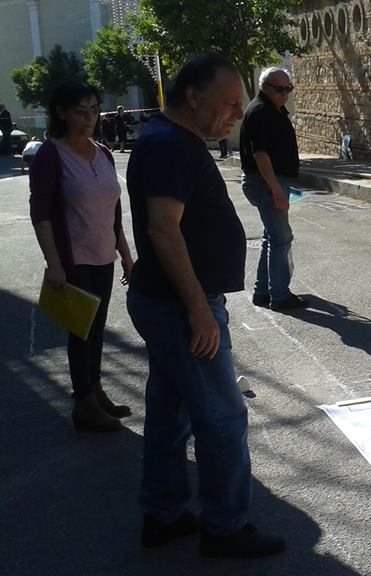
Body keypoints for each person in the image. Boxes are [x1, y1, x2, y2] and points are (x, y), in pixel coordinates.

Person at [126, 54, 285, 557]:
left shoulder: (172, 140)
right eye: (229, 104)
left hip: (171, 302)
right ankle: (225, 528)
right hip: (179, 307)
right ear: (193, 96)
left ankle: (164, 512)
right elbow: (162, 230)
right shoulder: (169, 145)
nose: (238, 115)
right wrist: (198, 309)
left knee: (171, 412)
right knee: (223, 417)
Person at [28, 81, 135, 432]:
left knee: (97, 328)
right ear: (61, 113)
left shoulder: (102, 152)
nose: (89, 117)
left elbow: (113, 211)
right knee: (81, 330)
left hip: (104, 253)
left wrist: (126, 256)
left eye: (93, 109)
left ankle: (95, 390)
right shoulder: (51, 155)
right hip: (74, 259)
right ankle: (83, 404)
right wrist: (54, 264)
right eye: (81, 111)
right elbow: (41, 212)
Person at [239, 67, 305, 311]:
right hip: (266, 183)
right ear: (264, 86)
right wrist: (276, 189)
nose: (285, 94)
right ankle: (279, 295)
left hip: (272, 182)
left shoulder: (272, 109)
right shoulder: (260, 111)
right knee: (281, 238)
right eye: (280, 89)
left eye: (288, 89)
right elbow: (261, 154)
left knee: (271, 237)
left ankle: (263, 291)